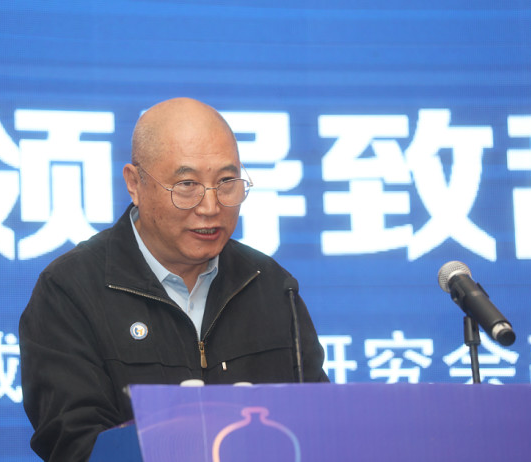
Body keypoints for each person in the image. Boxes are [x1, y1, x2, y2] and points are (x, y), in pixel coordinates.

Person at [19, 97, 328, 461]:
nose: (210, 206)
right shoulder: (70, 291)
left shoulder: (271, 286)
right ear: (135, 184)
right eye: (187, 184)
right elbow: (73, 442)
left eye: (226, 182)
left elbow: (318, 426)